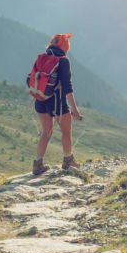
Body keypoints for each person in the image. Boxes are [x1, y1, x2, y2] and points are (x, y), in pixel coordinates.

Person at [31, 33, 82, 175]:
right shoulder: (63, 61)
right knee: (66, 131)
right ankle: (68, 160)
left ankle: (38, 164)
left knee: (46, 132)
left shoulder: (42, 57)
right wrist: (74, 108)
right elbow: (67, 86)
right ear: (65, 47)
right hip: (57, 102)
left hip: (40, 99)